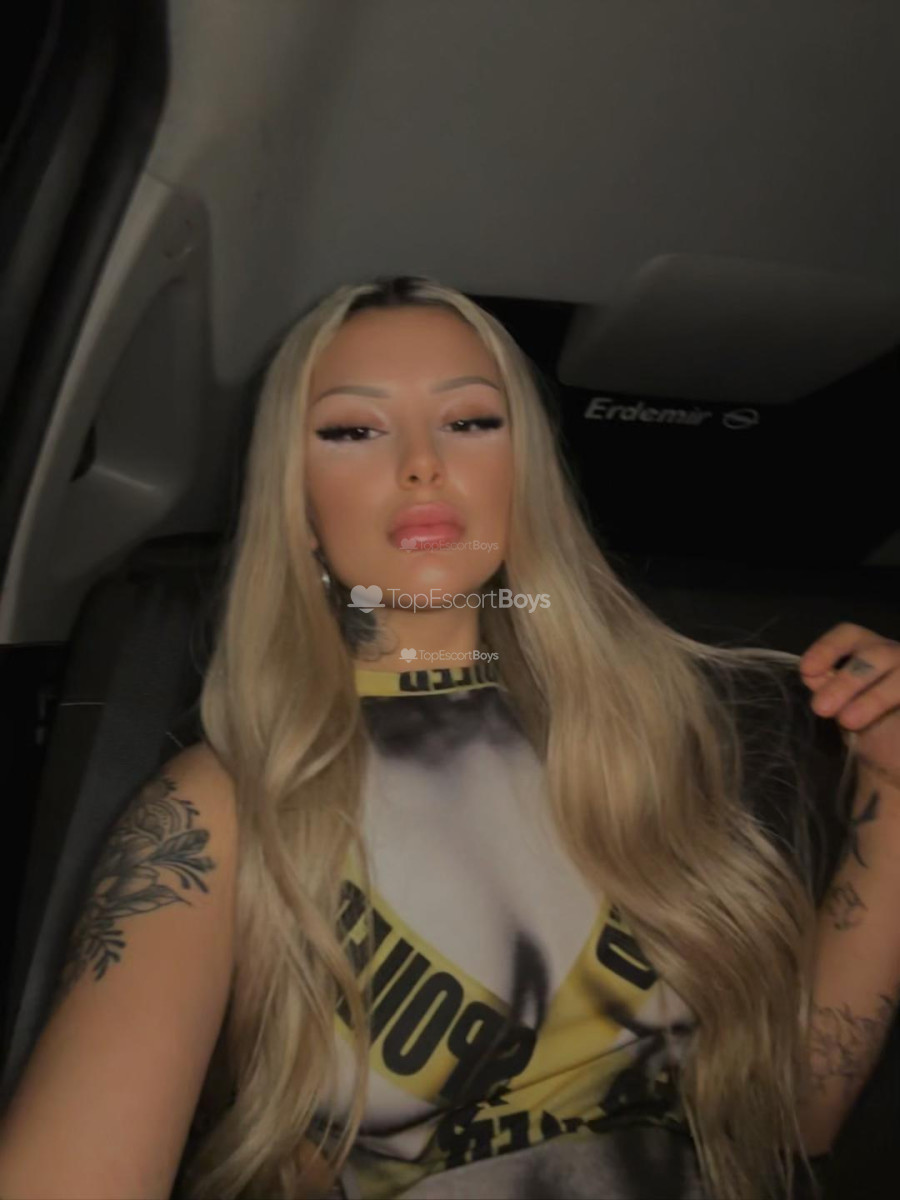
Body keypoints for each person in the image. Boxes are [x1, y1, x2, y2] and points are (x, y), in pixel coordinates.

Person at [0, 275, 894, 1200]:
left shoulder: (640, 750)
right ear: (296, 504)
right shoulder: (218, 813)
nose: (423, 463)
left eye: (469, 421)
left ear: (523, 474)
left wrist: (893, 792)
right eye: (353, 430)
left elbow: (794, 1112)